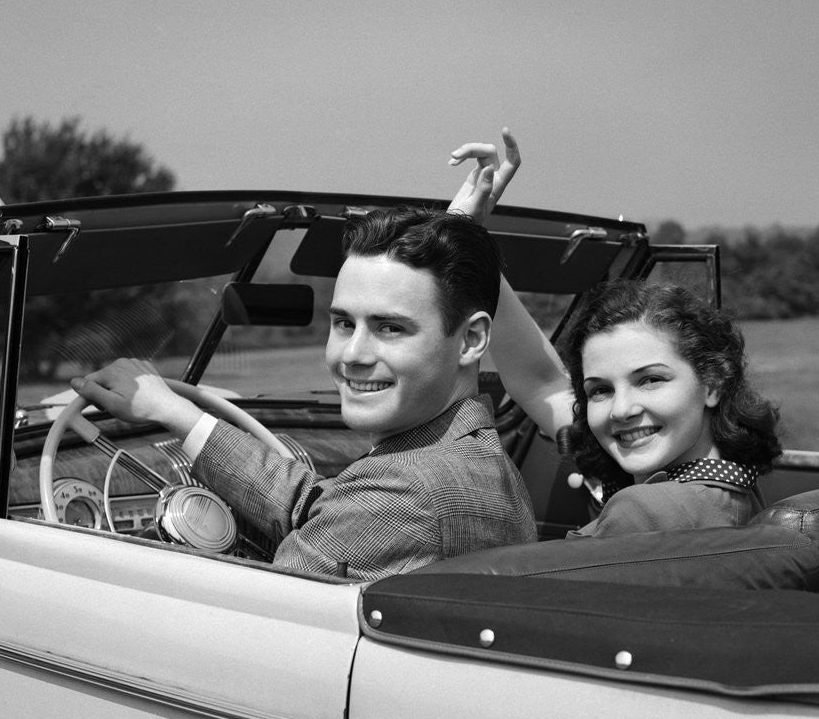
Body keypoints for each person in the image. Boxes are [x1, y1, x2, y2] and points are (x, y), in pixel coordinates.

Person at [71, 206, 566, 579]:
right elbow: (317, 504)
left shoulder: (406, 493)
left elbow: (259, 613)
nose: (352, 354)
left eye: (390, 328)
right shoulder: (471, 454)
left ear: (472, 339)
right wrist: (176, 413)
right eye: (343, 322)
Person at [447, 130, 782, 538]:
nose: (622, 410)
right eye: (599, 390)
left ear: (712, 382)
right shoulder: (721, 482)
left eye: (651, 380)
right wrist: (467, 241)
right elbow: (543, 384)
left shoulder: (651, 512)